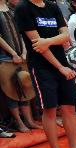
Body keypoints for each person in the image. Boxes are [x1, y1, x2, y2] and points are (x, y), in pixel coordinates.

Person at [15, 0, 76, 148]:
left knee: (69, 107)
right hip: (42, 66)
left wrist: (49, 41)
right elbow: (38, 45)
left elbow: (66, 36)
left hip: (62, 63)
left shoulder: (52, 7)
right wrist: (59, 67)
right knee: (49, 109)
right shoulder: (23, 8)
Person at [1, 0, 41, 132]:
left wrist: (24, 51)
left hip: (22, 52)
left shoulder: (14, 9)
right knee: (11, 89)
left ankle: (29, 120)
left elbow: (22, 31)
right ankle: (19, 122)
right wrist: (12, 53)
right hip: (5, 55)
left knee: (25, 85)